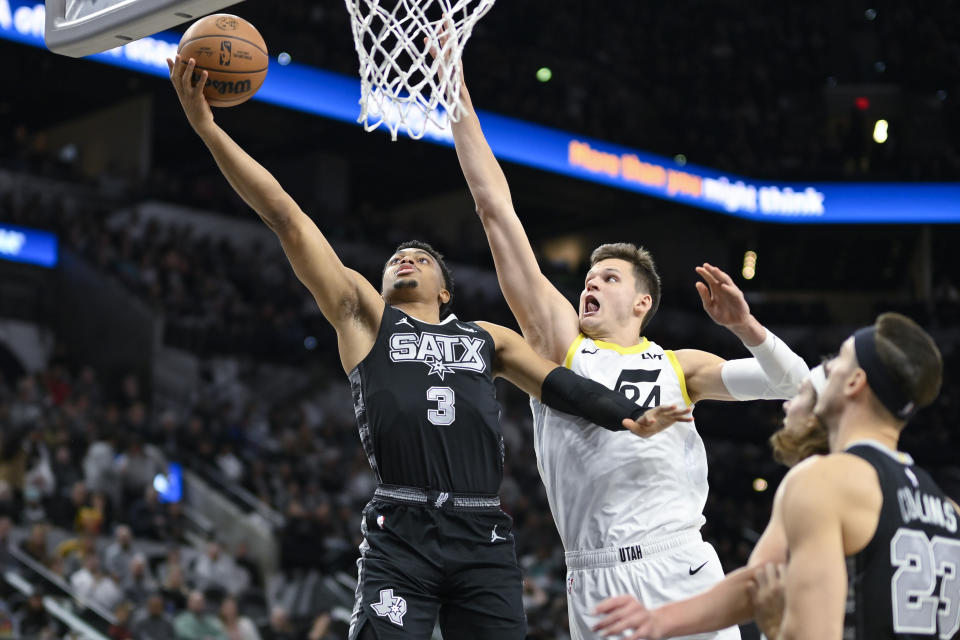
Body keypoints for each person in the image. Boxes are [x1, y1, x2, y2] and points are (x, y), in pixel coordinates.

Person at [167, 54, 690, 640]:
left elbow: (558, 385)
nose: (405, 258)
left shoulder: (486, 337)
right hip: (402, 529)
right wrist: (209, 129)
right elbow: (286, 217)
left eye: (421, 257)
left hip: (481, 532)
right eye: (396, 259)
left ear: (445, 289)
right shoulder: (364, 317)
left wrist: (627, 415)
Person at [449, 73, 809, 639]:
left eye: (608, 277)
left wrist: (747, 326)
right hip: (594, 583)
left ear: (642, 301)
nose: (590, 285)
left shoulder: (680, 366)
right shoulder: (561, 347)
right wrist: (458, 103)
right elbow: (496, 211)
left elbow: (793, 384)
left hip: (679, 564)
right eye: (588, 277)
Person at [592, 367, 830, 639]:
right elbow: (754, 581)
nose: (787, 403)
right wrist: (660, 619)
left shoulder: (814, 480)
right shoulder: (832, 475)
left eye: (804, 395)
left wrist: (777, 631)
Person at [772, 313, 957, 639]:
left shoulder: (824, 482)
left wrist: (774, 627)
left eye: (838, 359)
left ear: (855, 381)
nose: (828, 369)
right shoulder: (950, 511)